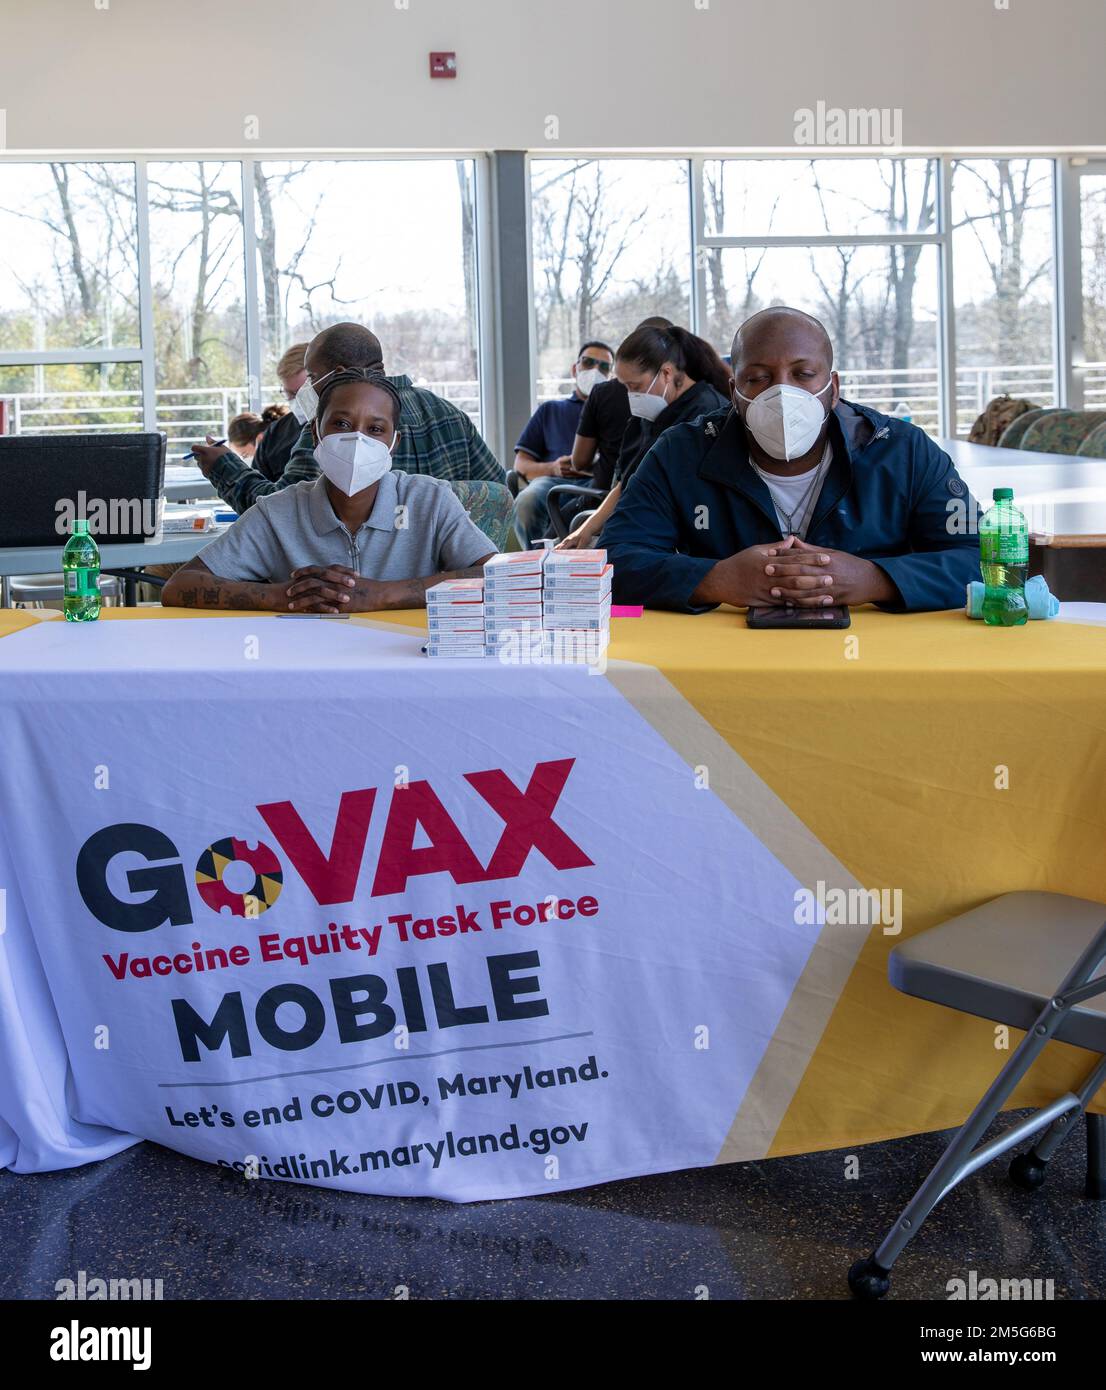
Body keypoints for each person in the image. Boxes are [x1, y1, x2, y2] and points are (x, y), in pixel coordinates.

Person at [600, 306, 981, 613]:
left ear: (832, 389)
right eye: (758, 378)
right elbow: (615, 559)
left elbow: (983, 557)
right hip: (729, 666)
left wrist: (873, 579)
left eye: (803, 374)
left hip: (878, 665)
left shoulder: (902, 452)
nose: (783, 392)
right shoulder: (680, 452)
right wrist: (715, 579)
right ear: (734, 391)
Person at [162, 370, 497, 613]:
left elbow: (499, 576)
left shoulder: (429, 501)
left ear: (394, 443)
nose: (357, 440)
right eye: (341, 424)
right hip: (305, 670)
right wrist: (284, 596)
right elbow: (181, 586)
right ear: (316, 433)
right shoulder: (279, 512)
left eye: (375, 429)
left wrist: (385, 595)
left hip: (406, 665)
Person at [189, 323, 504, 514]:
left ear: (339, 375)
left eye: (312, 377)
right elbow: (498, 493)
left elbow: (280, 512)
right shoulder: (451, 416)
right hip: (447, 589)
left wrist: (224, 468)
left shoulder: (335, 428)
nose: (310, 389)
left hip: (348, 592)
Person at [558, 323, 732, 550]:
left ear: (666, 373)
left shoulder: (705, 414)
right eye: (626, 387)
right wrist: (589, 527)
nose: (631, 395)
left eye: (634, 386)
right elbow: (629, 480)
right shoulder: (653, 412)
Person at [512, 341, 614, 547]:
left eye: (604, 367)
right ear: (575, 369)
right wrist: (553, 468)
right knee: (527, 501)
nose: (595, 370)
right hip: (552, 481)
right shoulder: (550, 410)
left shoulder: (615, 412)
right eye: (588, 362)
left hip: (598, 483)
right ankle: (534, 561)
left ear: (612, 375)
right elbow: (520, 465)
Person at [250, 343, 312, 482]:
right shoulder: (275, 433)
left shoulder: (338, 431)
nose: (298, 401)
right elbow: (256, 487)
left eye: (303, 393)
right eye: (290, 394)